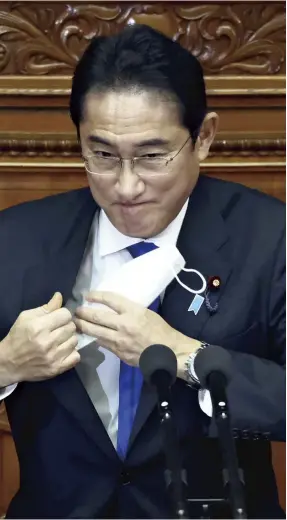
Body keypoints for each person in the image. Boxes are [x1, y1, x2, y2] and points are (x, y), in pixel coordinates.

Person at [0, 24, 285, 519]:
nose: (126, 186)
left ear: (204, 138)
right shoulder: (15, 239)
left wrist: (186, 356)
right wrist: (5, 363)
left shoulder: (270, 238)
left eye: (153, 156)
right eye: (103, 155)